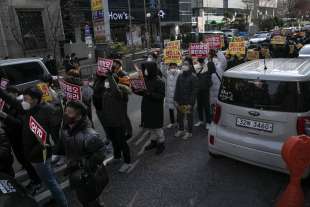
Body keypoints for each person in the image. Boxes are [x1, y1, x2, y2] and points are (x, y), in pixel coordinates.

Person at [0, 87, 68, 207]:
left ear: (35, 100)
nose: (23, 101)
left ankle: (62, 203)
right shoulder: (28, 108)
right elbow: (11, 100)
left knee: (50, 181)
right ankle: (57, 197)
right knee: (50, 178)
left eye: (26, 99)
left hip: (41, 155)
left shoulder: (48, 111)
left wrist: (35, 151)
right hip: (34, 154)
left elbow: (52, 138)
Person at [55, 101, 108, 207]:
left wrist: (84, 166)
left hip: (88, 175)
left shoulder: (89, 134)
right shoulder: (65, 130)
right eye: (66, 111)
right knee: (83, 198)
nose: (65, 114)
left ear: (79, 116)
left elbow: (101, 152)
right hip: (75, 173)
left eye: (69, 113)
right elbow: (62, 149)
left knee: (90, 199)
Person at [0, 86, 42, 194]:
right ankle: (34, 179)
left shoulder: (26, 108)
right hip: (13, 139)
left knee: (29, 162)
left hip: (23, 139)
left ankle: (37, 181)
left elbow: (20, 124)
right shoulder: (5, 106)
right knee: (22, 161)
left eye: (26, 99)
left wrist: (5, 116)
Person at [99, 60, 133, 173]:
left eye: (109, 81)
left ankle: (128, 162)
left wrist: (110, 76)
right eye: (107, 81)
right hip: (110, 122)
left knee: (122, 142)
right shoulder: (106, 92)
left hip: (119, 122)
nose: (107, 83)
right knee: (114, 141)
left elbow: (115, 90)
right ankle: (117, 157)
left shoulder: (121, 92)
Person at [136, 61, 166, 155]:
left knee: (157, 128)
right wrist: (135, 89)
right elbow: (142, 92)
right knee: (150, 127)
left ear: (151, 70)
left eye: (146, 69)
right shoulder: (145, 80)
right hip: (147, 106)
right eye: (144, 69)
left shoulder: (159, 81)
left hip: (155, 108)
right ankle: (153, 142)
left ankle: (161, 143)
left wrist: (150, 94)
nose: (145, 71)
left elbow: (161, 96)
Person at [174, 60, 198, 140]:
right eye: (183, 64)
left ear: (190, 66)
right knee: (180, 116)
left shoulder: (193, 77)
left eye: (186, 64)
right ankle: (181, 129)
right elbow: (177, 88)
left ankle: (189, 132)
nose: (184, 65)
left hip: (188, 102)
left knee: (189, 117)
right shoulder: (180, 76)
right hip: (180, 100)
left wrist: (191, 103)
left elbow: (194, 92)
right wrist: (175, 99)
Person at [194, 58, 212, 130]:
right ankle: (201, 120)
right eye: (200, 61)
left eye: (202, 61)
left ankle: (208, 122)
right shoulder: (196, 68)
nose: (201, 63)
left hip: (205, 91)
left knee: (207, 107)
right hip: (198, 91)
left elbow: (210, 81)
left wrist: (207, 86)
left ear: (204, 61)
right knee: (199, 106)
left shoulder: (207, 68)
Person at [164, 63, 181, 128]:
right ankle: (172, 122)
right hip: (169, 94)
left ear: (176, 67)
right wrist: (164, 63)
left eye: (174, 67)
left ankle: (179, 122)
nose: (173, 68)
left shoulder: (179, 73)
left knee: (179, 109)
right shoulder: (167, 73)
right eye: (171, 67)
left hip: (177, 94)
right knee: (171, 109)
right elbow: (162, 71)